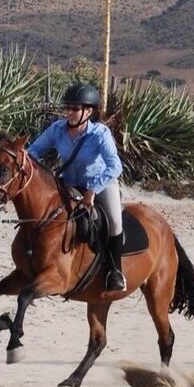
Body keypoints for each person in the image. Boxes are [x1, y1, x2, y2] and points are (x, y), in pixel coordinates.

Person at [27, 83, 128, 291]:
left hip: (99, 184)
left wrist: (93, 190)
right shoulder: (57, 129)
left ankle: (115, 271)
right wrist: (34, 169)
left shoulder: (100, 133)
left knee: (115, 223)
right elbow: (33, 151)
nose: (70, 113)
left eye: (75, 109)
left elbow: (115, 165)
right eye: (68, 108)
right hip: (69, 184)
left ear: (88, 111)